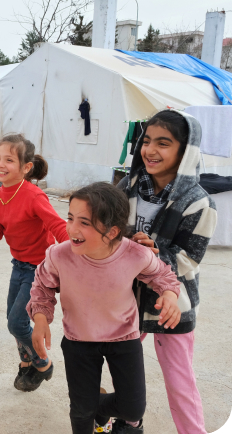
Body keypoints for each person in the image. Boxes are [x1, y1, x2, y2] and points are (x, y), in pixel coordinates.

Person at [27, 182, 182, 434]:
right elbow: (42, 287)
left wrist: (169, 294)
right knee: (80, 413)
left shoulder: (136, 254)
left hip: (124, 338)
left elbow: (162, 274)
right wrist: (41, 319)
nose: (72, 229)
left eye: (84, 223)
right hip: (78, 339)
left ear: (111, 232)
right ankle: (86, 406)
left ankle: (95, 406)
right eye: (70, 218)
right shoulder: (59, 255)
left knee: (132, 409)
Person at [116, 109, 217, 434]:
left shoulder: (198, 202)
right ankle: (130, 421)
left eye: (164, 143)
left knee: (179, 380)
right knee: (125, 368)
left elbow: (190, 259)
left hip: (174, 303)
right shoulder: (128, 186)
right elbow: (111, 230)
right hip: (128, 297)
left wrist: (153, 254)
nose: (150, 150)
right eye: (147, 141)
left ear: (185, 151)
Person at [0, 134, 68, 392]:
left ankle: (42, 362)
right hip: (18, 266)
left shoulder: (34, 196)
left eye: (9, 160)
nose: (0, 164)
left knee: (16, 323)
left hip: (39, 270)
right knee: (13, 320)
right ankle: (25, 363)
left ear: (25, 167)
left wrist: (74, 255)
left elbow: (58, 226)